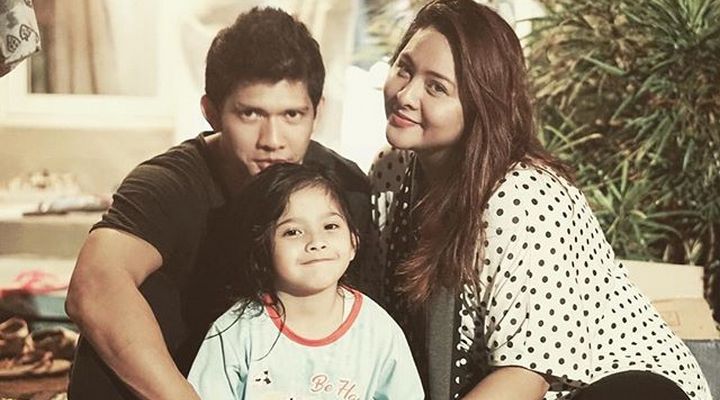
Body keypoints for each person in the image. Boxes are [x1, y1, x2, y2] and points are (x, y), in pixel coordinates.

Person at [369, 1, 711, 399]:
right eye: (404, 68)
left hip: (620, 388)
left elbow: (527, 375)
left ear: (481, 105)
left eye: (437, 87)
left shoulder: (522, 196)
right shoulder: (391, 171)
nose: (406, 94)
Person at [65, 7, 374, 400]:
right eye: (251, 113)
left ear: (318, 113)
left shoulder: (342, 188)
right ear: (211, 112)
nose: (272, 139)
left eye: (292, 114)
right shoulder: (168, 183)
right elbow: (94, 286)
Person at [187, 163, 423, 399]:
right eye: (293, 232)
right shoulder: (236, 332)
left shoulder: (378, 331)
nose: (316, 242)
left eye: (330, 226)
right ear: (262, 248)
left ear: (354, 242)